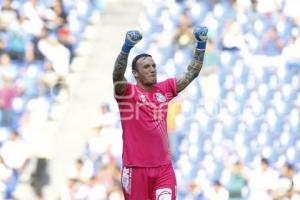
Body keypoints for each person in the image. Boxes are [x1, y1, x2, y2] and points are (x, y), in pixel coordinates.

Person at [112, 26, 208, 200]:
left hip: (163, 168)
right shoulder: (127, 92)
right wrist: (126, 48)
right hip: (135, 170)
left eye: (154, 66)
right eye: (146, 66)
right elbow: (117, 75)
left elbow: (191, 73)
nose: (152, 69)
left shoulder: (165, 89)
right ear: (135, 73)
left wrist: (201, 44)